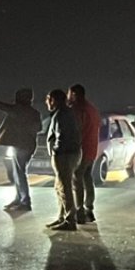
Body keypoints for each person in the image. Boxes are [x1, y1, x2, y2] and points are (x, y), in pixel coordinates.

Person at [44, 89, 81, 231]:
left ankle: (69, 220)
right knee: (60, 187)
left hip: (64, 155)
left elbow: (61, 136)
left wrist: (56, 152)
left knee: (64, 187)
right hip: (68, 154)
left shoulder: (61, 115)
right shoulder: (65, 113)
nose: (47, 102)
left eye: (48, 99)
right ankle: (62, 217)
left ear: (54, 100)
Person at [67, 84, 101, 223]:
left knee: (77, 178)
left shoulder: (77, 110)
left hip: (81, 150)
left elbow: (76, 130)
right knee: (87, 178)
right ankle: (89, 209)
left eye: (69, 94)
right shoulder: (92, 109)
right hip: (92, 149)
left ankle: (79, 211)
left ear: (74, 94)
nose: (67, 97)